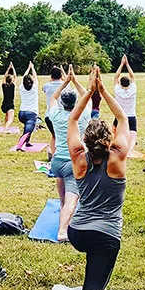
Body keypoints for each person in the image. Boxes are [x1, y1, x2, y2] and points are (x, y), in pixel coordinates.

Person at [62, 65, 131, 290]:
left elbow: (74, 118)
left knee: (93, 277)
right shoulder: (117, 157)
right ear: (109, 139)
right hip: (104, 236)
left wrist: (90, 91)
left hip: (78, 232)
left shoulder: (78, 157)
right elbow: (123, 117)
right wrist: (102, 91)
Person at [48, 66, 92, 242]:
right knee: (72, 200)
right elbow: (86, 96)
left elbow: (53, 98)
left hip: (57, 162)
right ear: (75, 103)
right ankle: (62, 231)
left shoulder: (56, 115)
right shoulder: (83, 115)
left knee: (62, 181)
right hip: (74, 163)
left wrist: (66, 82)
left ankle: (61, 204)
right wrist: (74, 81)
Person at [14, 62, 40, 151]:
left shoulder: (21, 87)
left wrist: (28, 68)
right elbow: (35, 77)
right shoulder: (34, 88)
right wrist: (32, 68)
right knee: (27, 131)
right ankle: (19, 146)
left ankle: (27, 142)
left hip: (21, 113)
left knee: (29, 128)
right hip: (31, 114)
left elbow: (24, 78)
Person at [113, 55, 137, 148]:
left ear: (120, 83)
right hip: (131, 115)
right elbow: (133, 76)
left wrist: (121, 64)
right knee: (133, 135)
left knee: (115, 131)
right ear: (129, 83)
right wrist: (127, 64)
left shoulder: (118, 90)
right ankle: (130, 150)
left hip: (120, 116)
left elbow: (116, 77)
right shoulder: (133, 89)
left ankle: (116, 146)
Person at [43, 65, 64, 137]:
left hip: (49, 115)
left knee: (54, 137)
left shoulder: (47, 85)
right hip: (62, 115)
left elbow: (43, 89)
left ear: (51, 76)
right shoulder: (66, 85)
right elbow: (65, 81)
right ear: (61, 76)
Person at [0, 63, 17, 131]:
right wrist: (13, 68)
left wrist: (8, 69)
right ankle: (5, 129)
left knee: (7, 115)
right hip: (10, 105)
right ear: (11, 80)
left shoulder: (4, 86)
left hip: (4, 105)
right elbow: (16, 76)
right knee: (10, 119)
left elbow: (4, 77)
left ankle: (5, 127)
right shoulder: (12, 86)